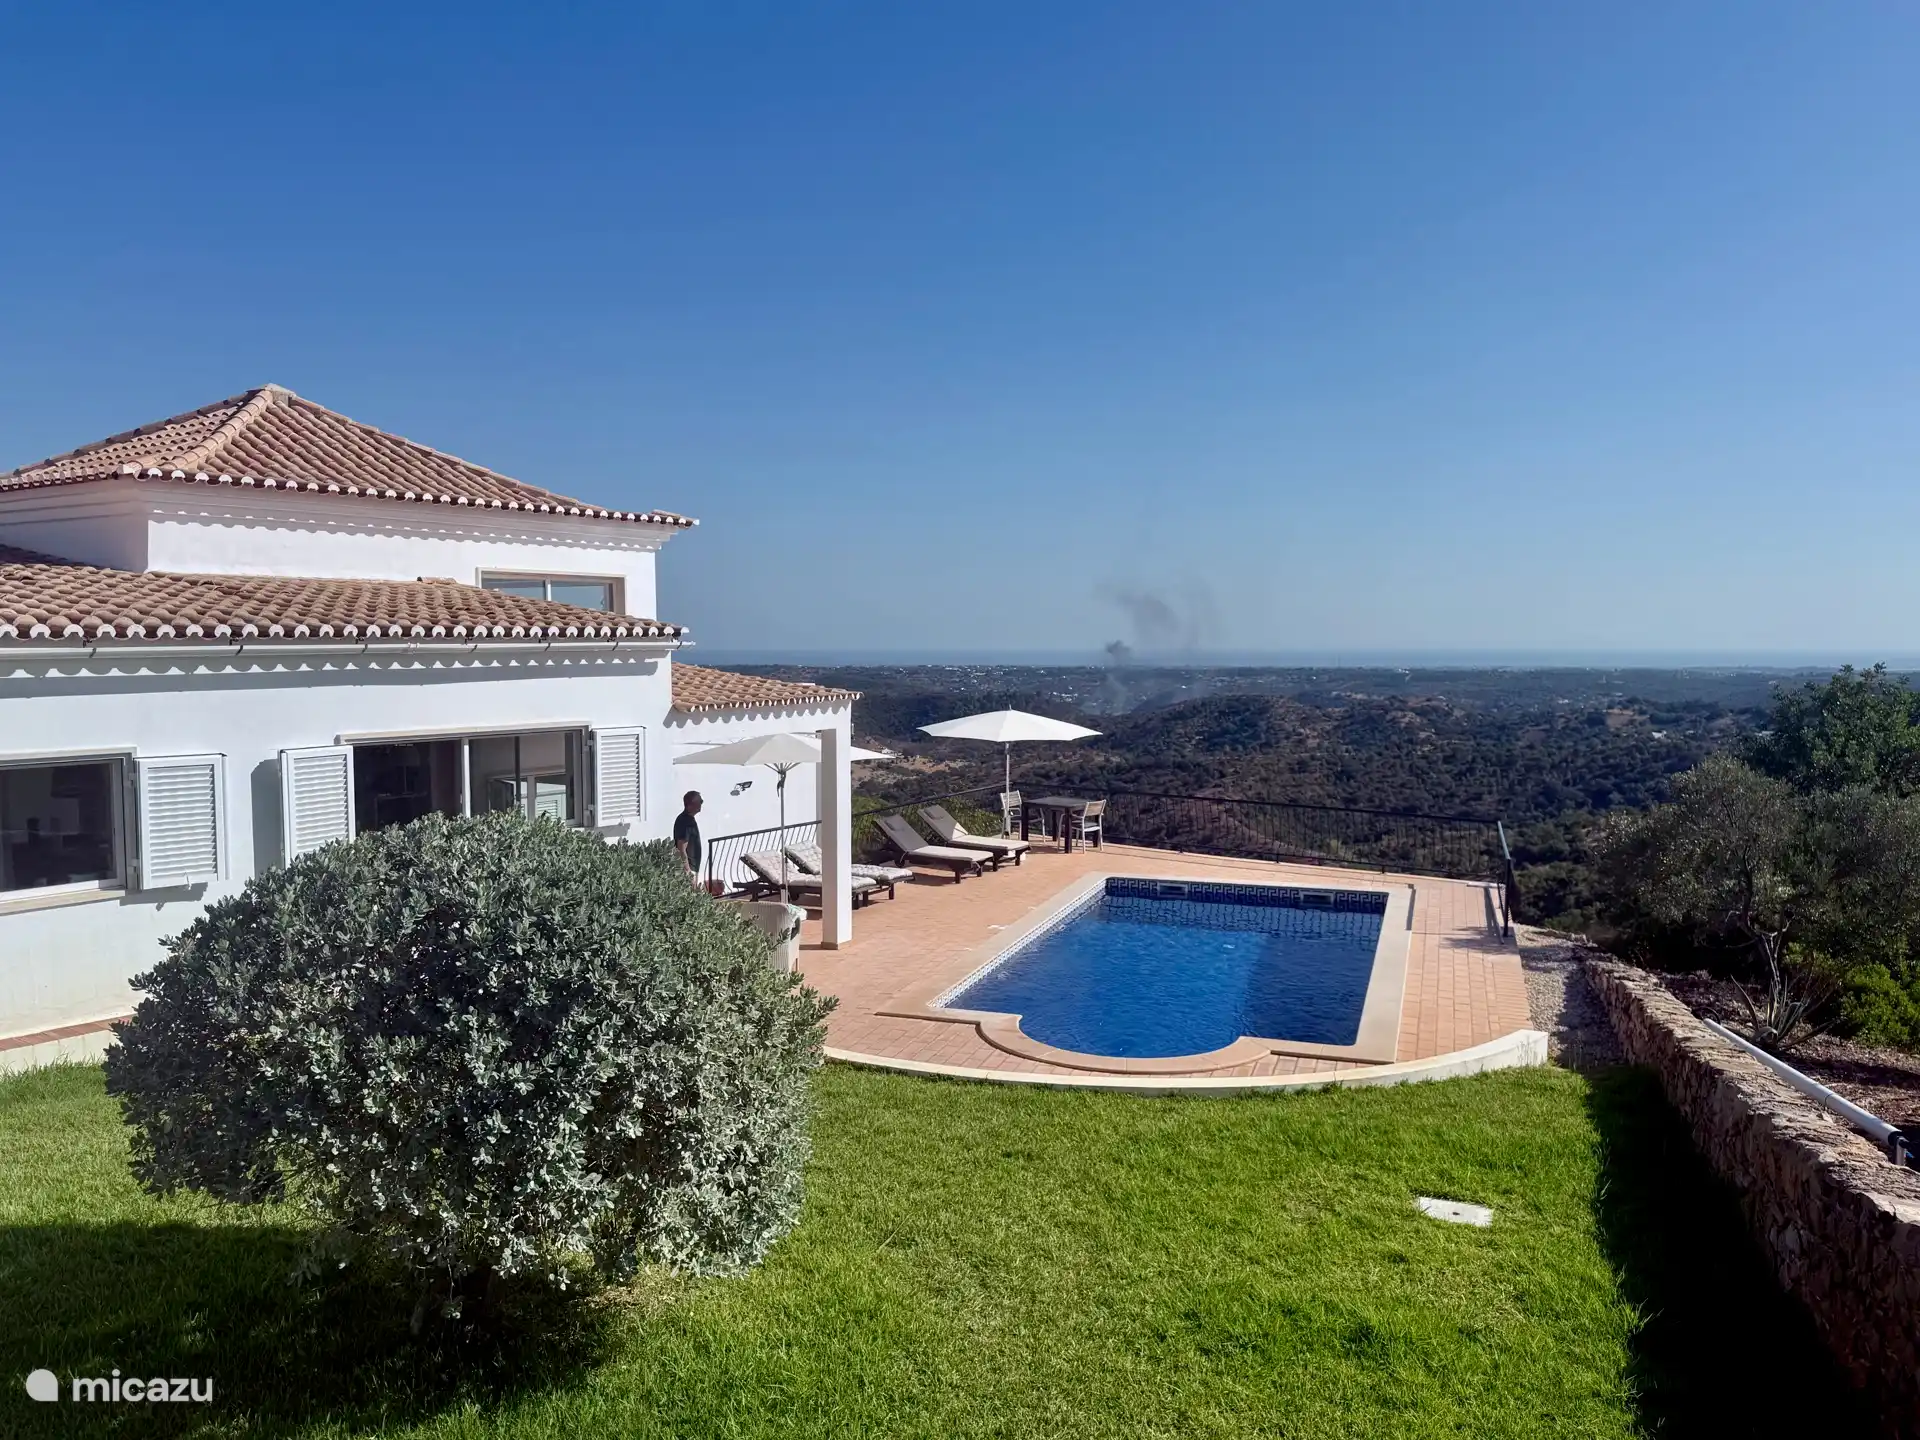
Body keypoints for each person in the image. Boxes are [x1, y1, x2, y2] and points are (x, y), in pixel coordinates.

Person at [673, 791, 704, 879]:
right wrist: (687, 870)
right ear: (691, 804)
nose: (701, 803)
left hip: (692, 867)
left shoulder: (689, 820)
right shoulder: (685, 822)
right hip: (689, 869)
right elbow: (681, 849)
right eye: (700, 801)